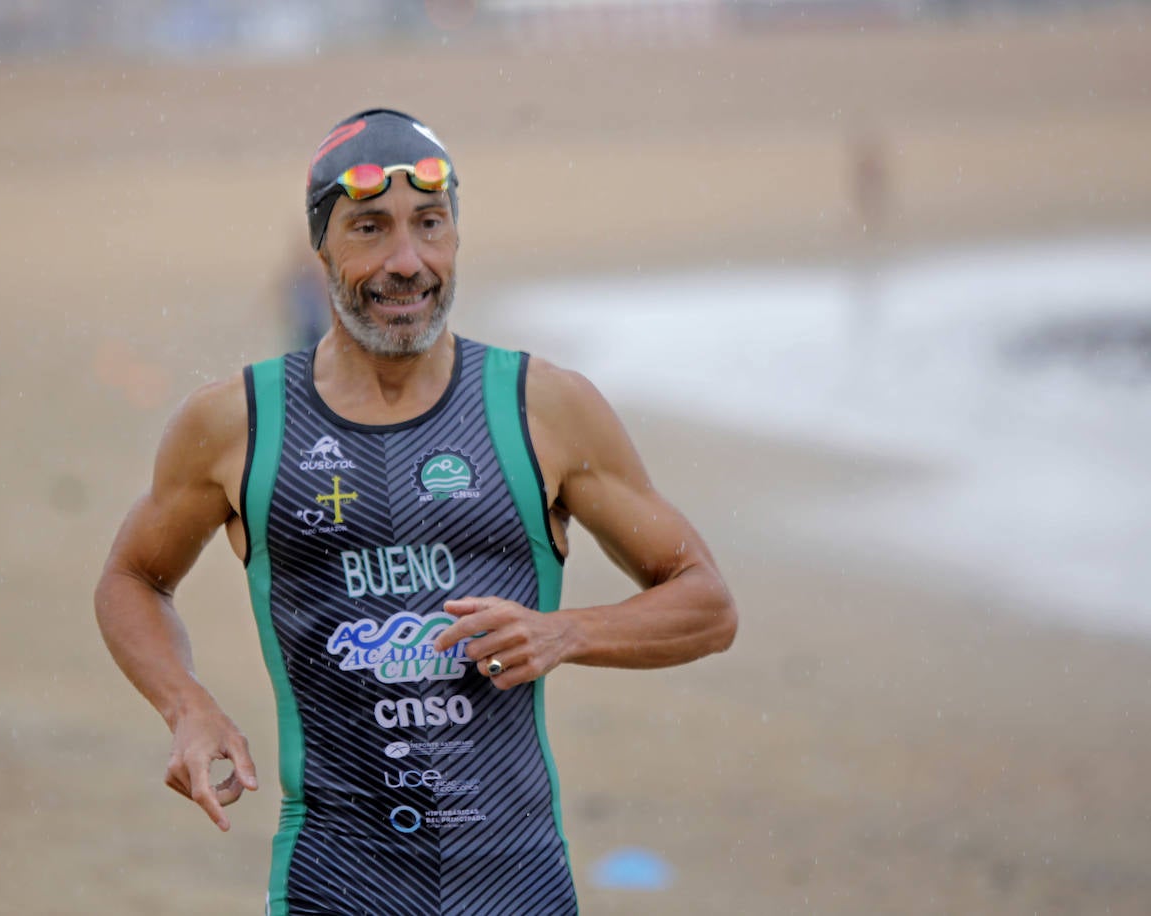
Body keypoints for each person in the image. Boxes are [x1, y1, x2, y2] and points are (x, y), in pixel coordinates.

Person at [94, 108, 737, 915]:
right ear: (320, 247)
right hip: (335, 878)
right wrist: (185, 705)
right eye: (370, 228)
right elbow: (133, 576)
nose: (408, 261)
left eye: (430, 225)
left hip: (517, 880)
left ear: (456, 237)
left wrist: (566, 632)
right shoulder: (238, 424)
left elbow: (706, 603)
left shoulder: (543, 409)